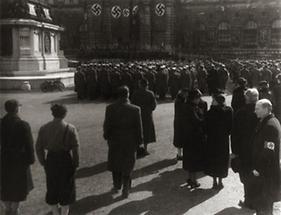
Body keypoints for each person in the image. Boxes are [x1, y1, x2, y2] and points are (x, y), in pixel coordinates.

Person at [36, 104, 80, 215]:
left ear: (52, 113)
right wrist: (75, 164)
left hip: (50, 160)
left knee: (52, 187)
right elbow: (75, 149)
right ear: (65, 114)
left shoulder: (44, 128)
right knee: (67, 189)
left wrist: (43, 162)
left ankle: (55, 213)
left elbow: (38, 147)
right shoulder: (71, 128)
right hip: (65, 159)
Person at [103, 86, 143, 198]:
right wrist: (139, 141)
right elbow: (138, 128)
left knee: (115, 163)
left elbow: (107, 125)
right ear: (128, 94)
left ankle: (117, 185)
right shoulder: (135, 109)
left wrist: (107, 136)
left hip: (115, 140)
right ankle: (126, 188)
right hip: (130, 141)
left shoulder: (110, 108)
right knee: (128, 164)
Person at [1, 99, 35, 215]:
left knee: (4, 184)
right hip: (19, 160)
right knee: (17, 186)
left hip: (3, 159)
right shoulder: (23, 125)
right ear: (16, 109)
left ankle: (7, 209)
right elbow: (29, 145)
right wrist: (31, 160)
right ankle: (14, 210)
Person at [231, 88, 259, 209]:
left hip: (243, 150)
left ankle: (248, 200)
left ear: (246, 98)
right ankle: (256, 200)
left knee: (246, 175)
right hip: (258, 149)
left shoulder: (240, 113)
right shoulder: (261, 111)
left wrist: (235, 151)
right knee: (257, 174)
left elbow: (234, 134)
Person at [251, 99, 281, 215]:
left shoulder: (270, 125)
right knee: (264, 204)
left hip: (266, 172)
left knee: (265, 205)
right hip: (266, 171)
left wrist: (258, 168)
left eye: (257, 109)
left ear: (266, 109)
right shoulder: (267, 121)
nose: (255, 111)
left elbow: (268, 151)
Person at [205, 93, 232, 189]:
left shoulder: (210, 112)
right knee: (222, 160)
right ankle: (220, 181)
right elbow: (230, 126)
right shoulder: (228, 111)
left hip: (212, 140)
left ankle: (214, 181)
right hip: (223, 139)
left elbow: (206, 127)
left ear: (216, 101)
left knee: (213, 160)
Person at [183, 89, 206, 188]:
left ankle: (189, 178)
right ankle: (194, 180)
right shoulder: (193, 108)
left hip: (187, 135)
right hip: (194, 136)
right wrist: (204, 118)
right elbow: (197, 121)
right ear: (194, 98)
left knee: (189, 158)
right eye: (198, 98)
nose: (199, 100)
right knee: (194, 160)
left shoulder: (186, 106)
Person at [131, 78, 157, 156]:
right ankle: (145, 149)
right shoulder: (150, 93)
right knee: (146, 131)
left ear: (140, 85)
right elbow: (154, 105)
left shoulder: (135, 93)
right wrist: (149, 109)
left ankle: (137, 148)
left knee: (137, 130)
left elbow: (132, 104)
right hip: (147, 115)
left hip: (137, 114)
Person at [173, 88, 189, 161]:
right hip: (181, 121)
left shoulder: (178, 100)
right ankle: (180, 155)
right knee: (181, 138)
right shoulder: (181, 101)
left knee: (179, 138)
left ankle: (179, 154)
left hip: (178, 121)